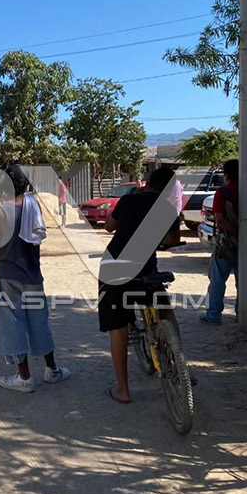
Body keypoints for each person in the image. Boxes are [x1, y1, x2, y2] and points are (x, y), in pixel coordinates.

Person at [99, 167, 181, 404]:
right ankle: (179, 363)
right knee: (166, 312)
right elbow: (173, 240)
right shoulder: (169, 209)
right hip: (145, 270)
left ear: (148, 183)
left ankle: (123, 390)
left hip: (114, 268)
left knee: (118, 328)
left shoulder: (129, 200)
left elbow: (108, 226)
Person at [0, 163, 70, 393]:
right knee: (40, 322)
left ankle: (24, 377)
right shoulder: (34, 207)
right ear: (26, 184)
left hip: (8, 275)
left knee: (12, 324)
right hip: (33, 274)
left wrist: (6, 261)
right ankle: (52, 369)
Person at [200, 159, 239, 326]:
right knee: (244, 282)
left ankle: (213, 315)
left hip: (225, 244)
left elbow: (220, 219)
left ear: (226, 175)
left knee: (217, 280)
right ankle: (243, 315)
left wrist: (235, 233)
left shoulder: (222, 193)